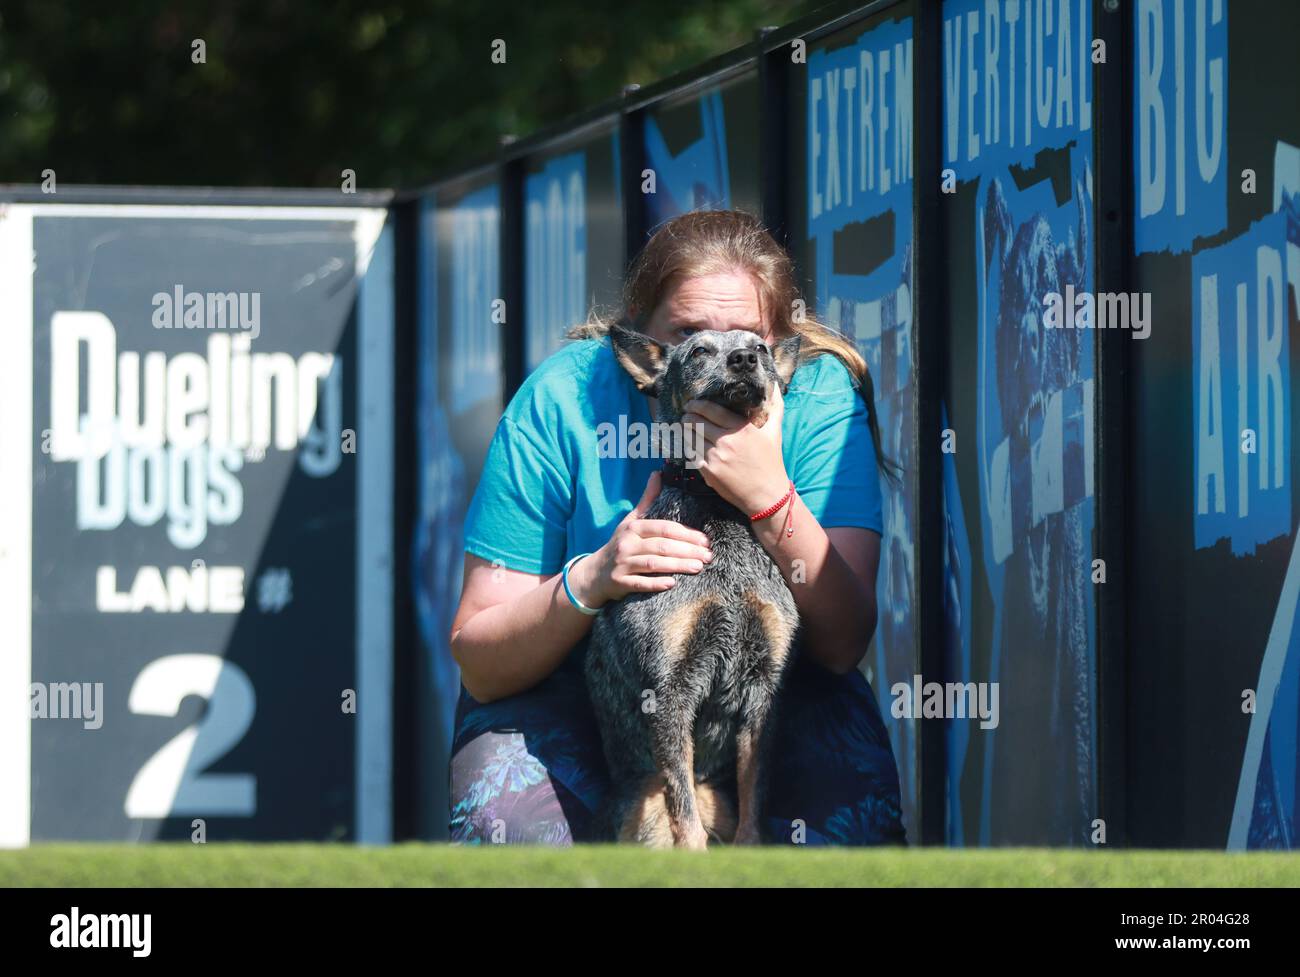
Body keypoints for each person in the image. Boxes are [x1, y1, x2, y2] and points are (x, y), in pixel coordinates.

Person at [447, 209, 906, 846]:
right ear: (646, 349)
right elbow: (481, 663)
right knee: (511, 825)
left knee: (850, 826)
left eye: (747, 341)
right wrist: (592, 579)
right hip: (569, 687)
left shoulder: (817, 394)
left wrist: (770, 497)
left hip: (777, 693)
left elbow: (840, 644)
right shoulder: (564, 393)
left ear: (779, 352)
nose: (725, 364)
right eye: (691, 334)